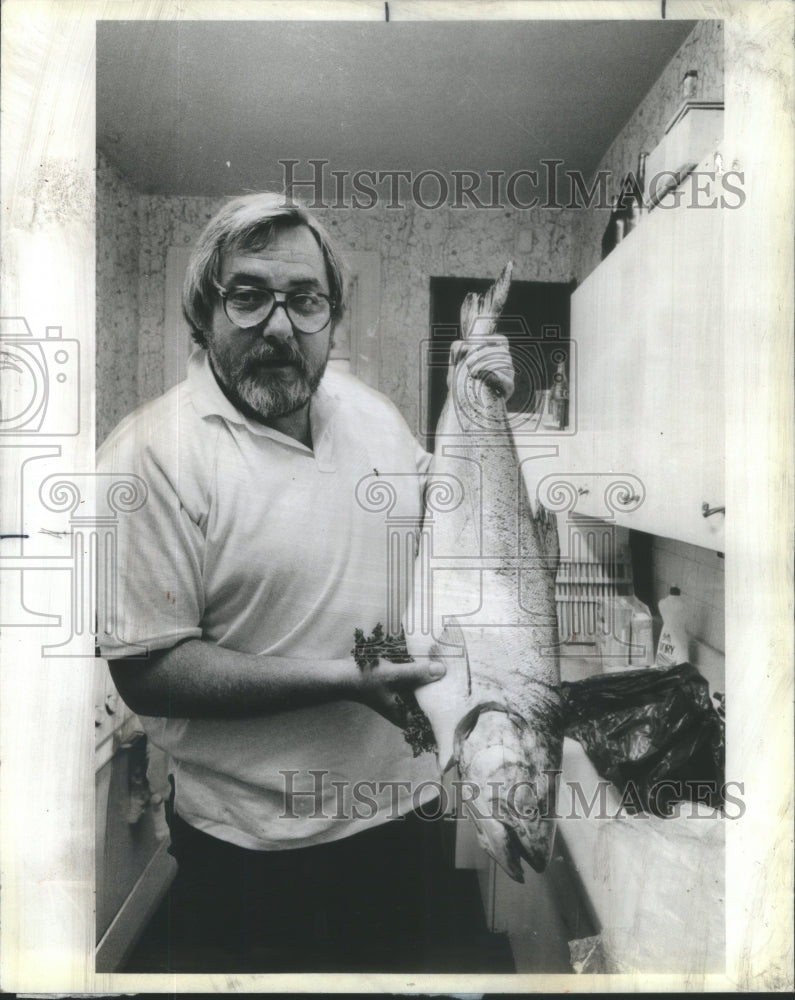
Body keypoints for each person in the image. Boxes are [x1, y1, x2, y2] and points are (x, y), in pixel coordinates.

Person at [98, 192, 508, 973]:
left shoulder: (368, 412)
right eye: (248, 296)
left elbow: (443, 520)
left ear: (331, 316)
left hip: (406, 806)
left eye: (305, 301)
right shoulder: (147, 455)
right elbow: (147, 673)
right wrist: (344, 680)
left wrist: (478, 404)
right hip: (256, 845)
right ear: (202, 312)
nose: (280, 327)